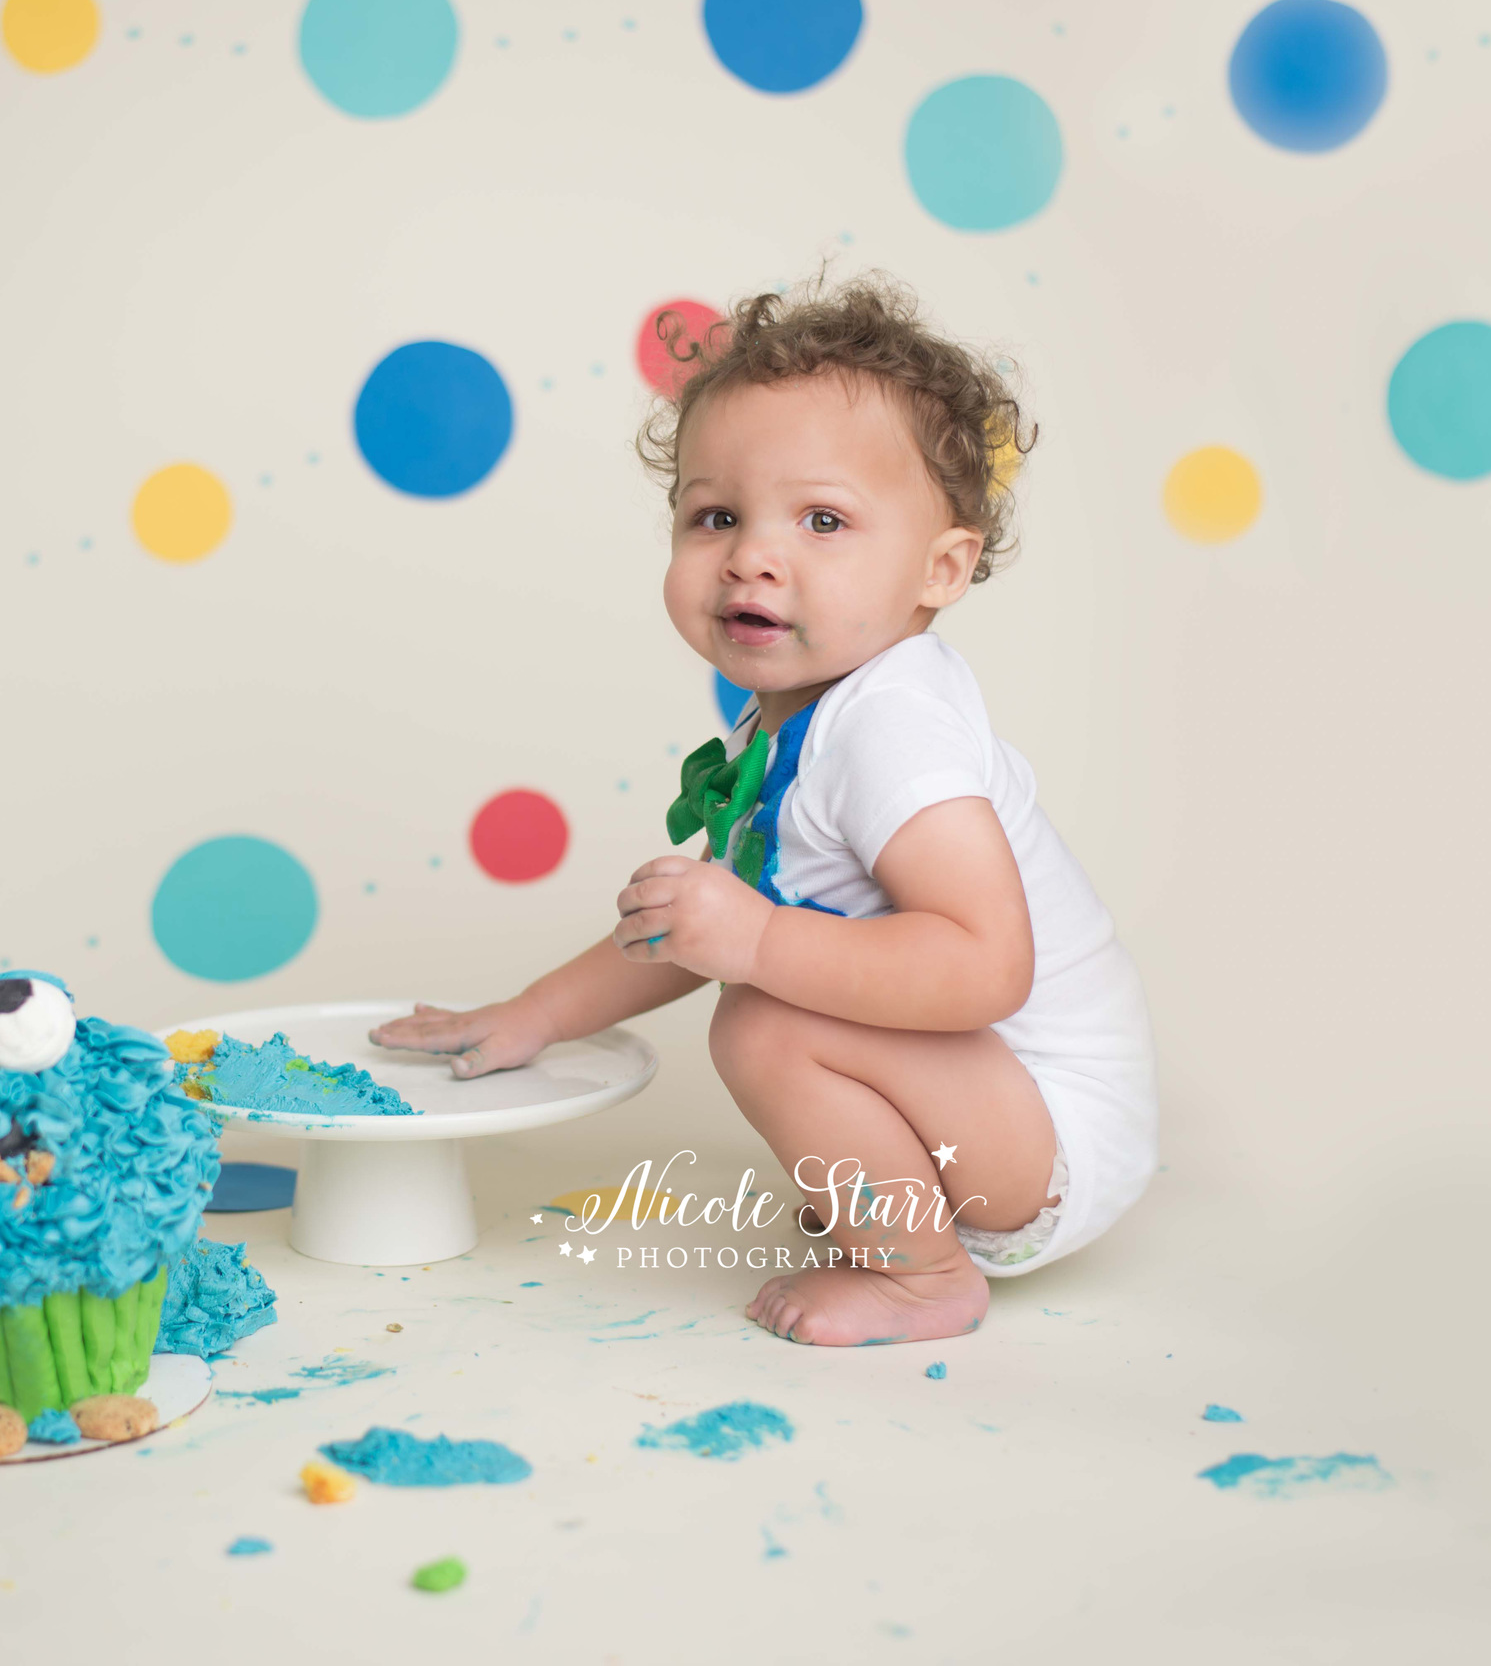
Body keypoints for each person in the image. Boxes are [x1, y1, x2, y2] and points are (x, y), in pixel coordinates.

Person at [372, 273, 1156, 1346]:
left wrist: (755, 938)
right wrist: (534, 1014)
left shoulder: (893, 726)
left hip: (1053, 1130)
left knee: (768, 1014)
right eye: (715, 514)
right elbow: (701, 929)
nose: (751, 552)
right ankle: (895, 1205)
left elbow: (986, 968)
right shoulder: (789, 718)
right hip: (985, 1107)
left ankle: (921, 1277)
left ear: (940, 567)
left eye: (823, 519)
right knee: (754, 966)